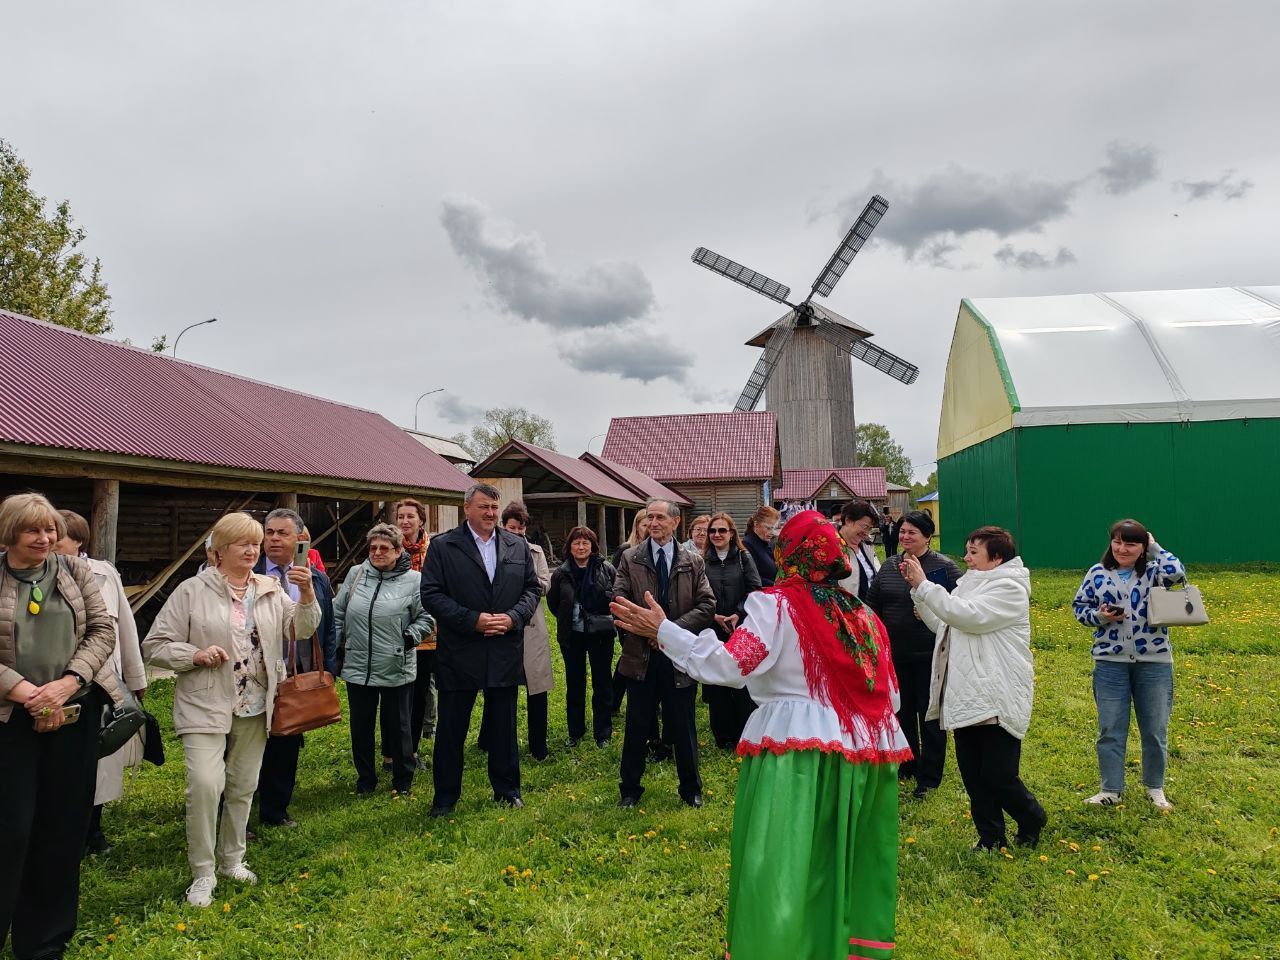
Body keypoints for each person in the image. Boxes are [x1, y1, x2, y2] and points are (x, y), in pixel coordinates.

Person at [611, 510, 909, 959]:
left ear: (787, 554)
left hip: (799, 757)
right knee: (845, 863)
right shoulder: (864, 617)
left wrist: (663, 632)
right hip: (864, 762)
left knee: (782, 868)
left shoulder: (777, 606)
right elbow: (892, 699)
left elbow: (731, 664)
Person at [143, 511, 320, 907]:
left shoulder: (271, 587)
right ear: (218, 552)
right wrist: (195, 654)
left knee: (242, 785)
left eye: (254, 543)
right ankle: (203, 873)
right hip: (205, 701)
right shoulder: (192, 590)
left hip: (256, 703)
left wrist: (306, 595)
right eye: (243, 543)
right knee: (206, 785)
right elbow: (154, 645)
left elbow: (303, 629)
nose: (251, 549)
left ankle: (232, 860)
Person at [1, 493, 118, 959]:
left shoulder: (73, 571)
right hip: (10, 720)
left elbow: (102, 631)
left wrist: (67, 685)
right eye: (33, 530)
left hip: (72, 715)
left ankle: (43, 944)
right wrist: (29, 694)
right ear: (10, 532)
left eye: (50, 530)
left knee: (62, 829)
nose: (45, 538)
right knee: (9, 831)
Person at [904, 526, 1046, 850]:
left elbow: (971, 618)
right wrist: (920, 596)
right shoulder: (970, 584)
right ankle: (991, 838)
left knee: (998, 774)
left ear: (996, 558)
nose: (966, 558)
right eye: (967, 551)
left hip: (996, 692)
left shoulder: (1009, 587)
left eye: (973, 552)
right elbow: (947, 625)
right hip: (966, 691)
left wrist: (926, 587)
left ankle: (1031, 817)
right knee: (973, 775)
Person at [421, 483, 541, 817]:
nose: (490, 513)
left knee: (504, 727)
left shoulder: (516, 545)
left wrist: (513, 618)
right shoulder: (444, 547)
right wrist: (471, 620)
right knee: (451, 730)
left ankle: (507, 790)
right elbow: (430, 594)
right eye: (484, 507)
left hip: (504, 648)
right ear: (467, 509)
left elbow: (533, 589)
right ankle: (445, 798)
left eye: (493, 507)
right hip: (460, 650)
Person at [1072, 519, 1185, 811]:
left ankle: (1155, 787)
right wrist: (1101, 616)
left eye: (1131, 543)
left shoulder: (1154, 571)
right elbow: (1079, 609)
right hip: (1110, 662)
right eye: (1117, 542)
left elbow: (1177, 575)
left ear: (1143, 547)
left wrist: (1155, 547)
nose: (1122, 548)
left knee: (1154, 729)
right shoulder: (1098, 573)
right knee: (1110, 728)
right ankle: (1110, 789)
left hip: (1154, 662)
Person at [54, 510, 147, 856]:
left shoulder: (105, 574)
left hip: (103, 684)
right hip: (55, 684)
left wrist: (135, 678)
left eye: (58, 535)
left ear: (78, 540)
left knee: (99, 758)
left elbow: (125, 627)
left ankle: (93, 830)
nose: (49, 542)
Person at [615, 497, 715, 808]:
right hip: (642, 655)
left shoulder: (692, 560)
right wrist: (647, 632)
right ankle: (629, 791)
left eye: (660, 518)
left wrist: (669, 632)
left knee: (683, 727)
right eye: (649, 518)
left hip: (678, 655)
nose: (653, 523)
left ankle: (691, 790)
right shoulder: (630, 558)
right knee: (637, 726)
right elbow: (618, 600)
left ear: (675, 523)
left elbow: (707, 605)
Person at [253, 508, 338, 828]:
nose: (273, 538)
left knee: (286, 739)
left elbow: (327, 626)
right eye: (269, 532)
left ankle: (275, 809)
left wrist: (327, 667)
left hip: (296, 671)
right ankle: (233, 807)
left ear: (300, 539)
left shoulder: (315, 577)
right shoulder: (250, 570)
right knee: (243, 739)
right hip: (253, 670)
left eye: (282, 533)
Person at [866, 509, 961, 798]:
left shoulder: (944, 568)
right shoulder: (889, 566)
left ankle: (929, 778)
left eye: (912, 533)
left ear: (928, 536)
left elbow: (957, 609)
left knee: (930, 717)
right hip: (896, 653)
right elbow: (873, 605)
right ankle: (908, 765)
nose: (905, 536)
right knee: (902, 711)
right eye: (903, 531)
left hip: (931, 655)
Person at [336, 523, 435, 796]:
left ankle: (403, 781)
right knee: (361, 727)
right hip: (358, 665)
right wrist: (336, 650)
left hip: (395, 664)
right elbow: (338, 613)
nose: (377, 552)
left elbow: (427, 616)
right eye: (373, 547)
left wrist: (409, 638)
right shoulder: (356, 575)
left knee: (399, 726)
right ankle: (365, 780)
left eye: (384, 548)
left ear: (398, 550)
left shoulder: (414, 580)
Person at [547, 526, 618, 748]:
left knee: (602, 683)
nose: (580, 547)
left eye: (585, 543)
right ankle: (575, 732)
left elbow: (615, 596)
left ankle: (603, 733)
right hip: (573, 635)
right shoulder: (561, 573)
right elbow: (553, 602)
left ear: (593, 546)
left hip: (601, 634)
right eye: (576, 543)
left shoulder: (606, 569)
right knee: (575, 684)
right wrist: (568, 619)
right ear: (570, 547)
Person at [701, 512, 761, 748]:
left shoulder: (744, 558)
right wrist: (712, 614)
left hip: (740, 626)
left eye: (722, 530)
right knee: (717, 684)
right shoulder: (702, 560)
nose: (717, 535)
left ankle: (745, 732)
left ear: (732, 533)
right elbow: (696, 592)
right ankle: (723, 736)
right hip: (713, 627)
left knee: (742, 682)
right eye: (713, 531)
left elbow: (755, 588)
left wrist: (739, 612)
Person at [498, 501, 553, 761]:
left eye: (521, 528)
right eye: (512, 527)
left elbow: (543, 585)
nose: (517, 532)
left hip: (532, 626)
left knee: (537, 687)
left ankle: (538, 746)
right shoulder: (493, 551)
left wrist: (520, 585)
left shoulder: (536, 552)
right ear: (503, 527)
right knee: (499, 688)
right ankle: (494, 740)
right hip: (503, 626)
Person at [393, 498, 437, 771]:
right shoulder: (391, 550)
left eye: (410, 516)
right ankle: (395, 750)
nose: (405, 521)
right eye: (400, 516)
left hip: (429, 632)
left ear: (421, 520)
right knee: (398, 694)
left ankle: (413, 749)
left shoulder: (434, 550)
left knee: (420, 691)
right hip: (395, 629)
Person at [837, 500, 881, 600]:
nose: (866, 533)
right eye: (864, 527)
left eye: (869, 528)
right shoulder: (833, 548)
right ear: (848, 521)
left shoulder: (866, 546)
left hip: (870, 610)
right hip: (847, 610)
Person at [742, 505, 781, 587]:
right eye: (768, 528)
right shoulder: (746, 545)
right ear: (756, 525)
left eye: (774, 528)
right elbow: (752, 577)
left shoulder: (770, 542)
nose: (772, 532)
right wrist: (777, 585)